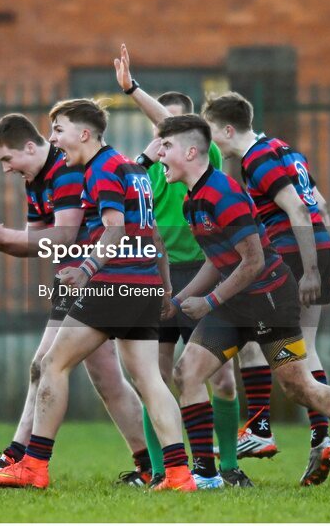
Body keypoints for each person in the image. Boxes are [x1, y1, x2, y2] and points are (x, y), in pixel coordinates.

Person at [155, 114, 330, 492]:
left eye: (166, 146)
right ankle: (207, 475)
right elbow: (218, 258)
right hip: (236, 303)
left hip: (268, 302)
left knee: (301, 388)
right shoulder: (194, 200)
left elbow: (254, 261)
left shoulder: (223, 193)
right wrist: (178, 300)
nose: (159, 153)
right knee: (188, 372)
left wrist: (209, 301)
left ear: (191, 152)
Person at [0, 99, 195, 491]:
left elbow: (114, 230)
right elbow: (154, 235)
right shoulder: (130, 169)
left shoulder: (101, 170)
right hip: (142, 284)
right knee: (149, 380)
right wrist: (164, 288)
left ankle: (33, 465)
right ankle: (177, 474)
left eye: (58, 130)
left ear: (84, 133)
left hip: (112, 284)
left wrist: (87, 269)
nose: (54, 139)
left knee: (52, 366)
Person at [113, 44, 248, 488]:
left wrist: (132, 88)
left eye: (167, 132)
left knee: (222, 379)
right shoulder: (149, 170)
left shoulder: (209, 176)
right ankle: (161, 470)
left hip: (206, 274)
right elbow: (117, 194)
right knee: (158, 377)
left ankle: (227, 467)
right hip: (159, 278)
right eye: (158, 134)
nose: (161, 137)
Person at [201, 92, 330, 486]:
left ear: (228, 129)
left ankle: (260, 428)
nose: (210, 142)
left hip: (292, 253)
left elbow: (296, 208)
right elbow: (321, 205)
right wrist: (323, 262)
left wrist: (310, 270)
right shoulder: (283, 150)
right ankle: (320, 438)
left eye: (212, 132)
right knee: (304, 348)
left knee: (254, 341)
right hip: (318, 245)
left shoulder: (257, 158)